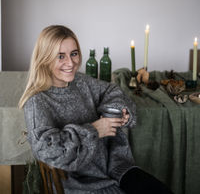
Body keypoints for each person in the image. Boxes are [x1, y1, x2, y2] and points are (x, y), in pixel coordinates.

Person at [19, 25, 173, 194]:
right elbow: (49, 151)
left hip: (115, 167)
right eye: (60, 56)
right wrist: (94, 130)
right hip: (80, 184)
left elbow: (112, 90)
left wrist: (119, 110)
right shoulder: (37, 102)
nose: (70, 63)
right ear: (44, 58)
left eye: (74, 54)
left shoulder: (80, 82)